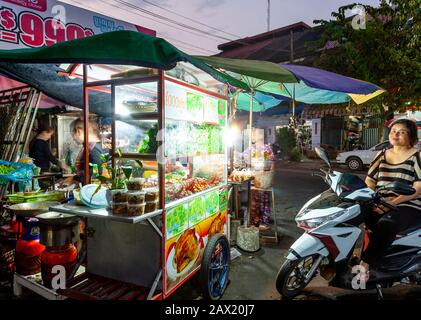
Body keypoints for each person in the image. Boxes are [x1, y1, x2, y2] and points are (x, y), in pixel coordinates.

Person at [361, 119, 421, 278]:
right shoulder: (381, 155)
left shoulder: (417, 156)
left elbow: (417, 190)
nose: (396, 134)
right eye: (394, 130)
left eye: (402, 132)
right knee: (353, 216)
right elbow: (370, 181)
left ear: (411, 137)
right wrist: (368, 199)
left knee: (386, 223)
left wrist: (391, 203)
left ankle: (365, 264)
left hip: (408, 204)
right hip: (380, 202)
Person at [66, 118, 104, 184]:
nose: (74, 138)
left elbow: (98, 170)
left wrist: (75, 178)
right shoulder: (91, 146)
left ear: (79, 131)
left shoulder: (94, 149)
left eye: (73, 134)